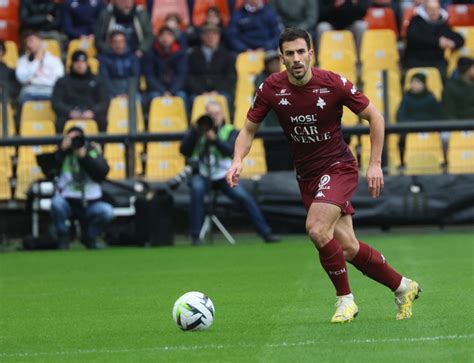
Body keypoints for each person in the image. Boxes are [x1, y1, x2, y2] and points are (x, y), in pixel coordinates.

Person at [227, 28, 421, 323]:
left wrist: (375, 163)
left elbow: (375, 117)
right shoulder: (271, 88)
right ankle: (403, 286)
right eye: (289, 54)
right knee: (347, 247)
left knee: (317, 229)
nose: (296, 59)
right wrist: (237, 160)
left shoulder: (332, 84)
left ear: (311, 53)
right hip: (307, 176)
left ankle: (345, 301)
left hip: (338, 167)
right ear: (281, 58)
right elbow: (248, 129)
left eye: (300, 52)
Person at [180, 101, 280, 246]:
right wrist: (194, 132)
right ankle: (196, 235)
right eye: (211, 114)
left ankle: (266, 232)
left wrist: (214, 139)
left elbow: (229, 151)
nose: (214, 117)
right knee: (196, 190)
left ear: (222, 115)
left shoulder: (230, 130)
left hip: (224, 175)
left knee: (244, 197)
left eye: (217, 114)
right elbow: (184, 150)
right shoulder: (198, 131)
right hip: (203, 174)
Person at [50, 126, 114, 249]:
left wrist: (84, 157)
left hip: (91, 202)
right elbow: (49, 169)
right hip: (67, 200)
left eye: (77, 139)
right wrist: (62, 150)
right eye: (71, 139)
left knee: (106, 211)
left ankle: (90, 237)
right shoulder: (62, 153)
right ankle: (63, 238)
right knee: (56, 204)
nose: (74, 142)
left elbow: (102, 172)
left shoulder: (92, 151)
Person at [52, 50, 110, 133]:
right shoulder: (63, 81)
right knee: (59, 122)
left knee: (102, 121)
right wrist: (70, 112)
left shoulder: (98, 80)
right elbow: (56, 102)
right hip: (70, 112)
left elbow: (104, 101)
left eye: (82, 62)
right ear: (72, 64)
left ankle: (102, 146)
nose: (80, 65)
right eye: (77, 62)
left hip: (91, 112)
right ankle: (61, 146)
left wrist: (93, 112)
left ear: (87, 64)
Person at [403, 0, 464, 77]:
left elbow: (459, 38)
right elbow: (414, 37)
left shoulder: (441, 23)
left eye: (436, 9)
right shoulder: (416, 21)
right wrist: (438, 42)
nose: (434, 12)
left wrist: (452, 43)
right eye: (431, 9)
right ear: (424, 9)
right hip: (417, 61)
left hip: (437, 63)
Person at [186, 24, 236, 112]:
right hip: (199, 92)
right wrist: (201, 91)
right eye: (207, 34)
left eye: (214, 34)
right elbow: (189, 77)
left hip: (220, 92)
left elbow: (230, 77)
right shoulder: (193, 55)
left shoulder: (226, 55)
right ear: (202, 36)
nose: (211, 37)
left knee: (227, 98)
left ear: (219, 37)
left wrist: (217, 91)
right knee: (191, 99)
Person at [16, 31, 64, 105]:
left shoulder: (54, 60)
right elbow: (22, 79)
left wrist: (34, 80)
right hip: (30, 92)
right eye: (27, 41)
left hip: (50, 92)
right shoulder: (22, 61)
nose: (29, 44)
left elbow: (58, 80)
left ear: (41, 42)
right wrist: (36, 61)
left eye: (31, 40)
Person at [142, 27, 187, 103]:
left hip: (175, 89)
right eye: (162, 35)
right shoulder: (151, 54)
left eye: (169, 35)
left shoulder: (180, 54)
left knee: (182, 96)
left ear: (174, 38)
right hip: (157, 90)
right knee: (154, 96)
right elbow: (150, 76)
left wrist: (171, 92)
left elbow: (181, 76)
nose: (165, 38)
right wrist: (163, 91)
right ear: (158, 38)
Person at [98, 30, 140, 98]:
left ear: (125, 43)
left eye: (121, 41)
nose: (118, 45)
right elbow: (105, 79)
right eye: (115, 42)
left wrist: (128, 93)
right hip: (111, 90)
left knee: (137, 99)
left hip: (129, 89)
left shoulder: (132, 57)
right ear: (110, 43)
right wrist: (115, 94)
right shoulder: (104, 58)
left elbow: (135, 77)